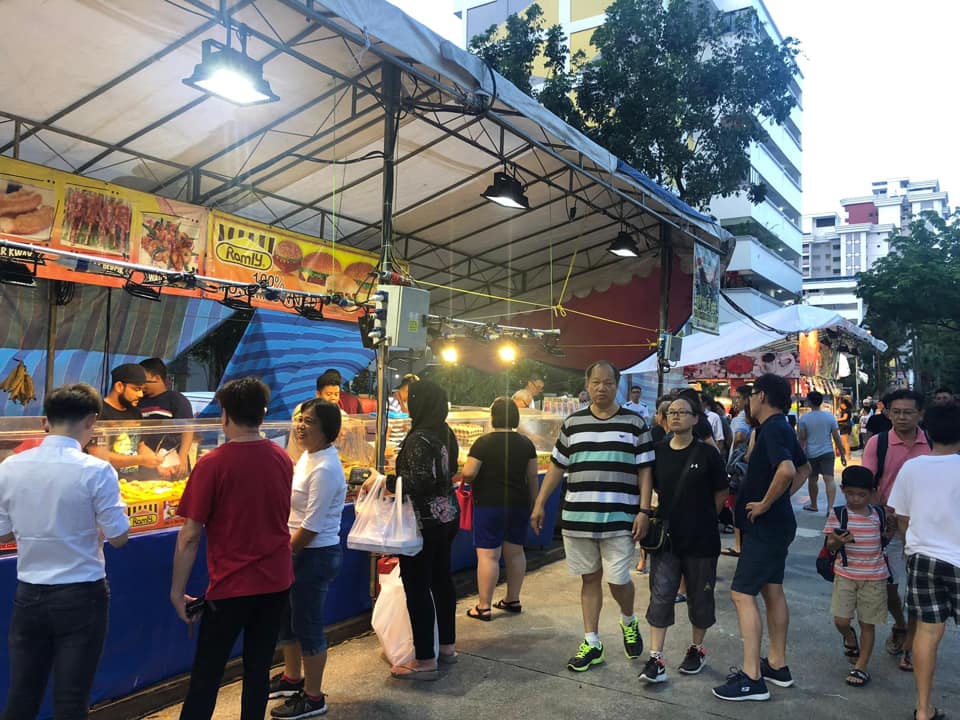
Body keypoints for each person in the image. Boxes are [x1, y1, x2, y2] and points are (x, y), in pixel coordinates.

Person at [0, 384, 129, 720]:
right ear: (92, 421)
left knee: (22, 696)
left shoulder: (10, 466)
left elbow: (2, 531)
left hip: (29, 594)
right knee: (71, 701)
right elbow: (119, 537)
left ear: (45, 421)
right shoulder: (97, 470)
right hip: (82, 594)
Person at [171, 378, 294, 720]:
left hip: (231, 586)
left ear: (224, 415)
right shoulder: (282, 458)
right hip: (276, 582)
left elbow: (190, 535)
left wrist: (177, 592)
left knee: (207, 675)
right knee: (258, 670)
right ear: (262, 414)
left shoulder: (213, 464)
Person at [530, 360, 654, 673]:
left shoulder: (635, 423)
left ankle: (628, 619)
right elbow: (557, 466)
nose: (601, 388)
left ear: (617, 385)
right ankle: (592, 642)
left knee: (618, 579)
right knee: (589, 578)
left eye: (608, 383)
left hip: (620, 516)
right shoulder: (573, 423)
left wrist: (644, 510)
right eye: (596, 382)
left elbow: (645, 470)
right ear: (587, 385)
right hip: (579, 516)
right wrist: (540, 502)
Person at [713, 373, 807, 702]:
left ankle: (752, 676)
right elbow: (804, 468)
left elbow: (789, 470)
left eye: (751, 395)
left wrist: (767, 503)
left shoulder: (773, 428)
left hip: (766, 527)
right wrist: (778, 499)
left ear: (762, 396)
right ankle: (777, 665)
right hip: (775, 525)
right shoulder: (781, 426)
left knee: (741, 594)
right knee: (772, 590)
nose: (748, 401)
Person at [638, 395, 728, 684]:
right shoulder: (657, 452)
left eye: (682, 412)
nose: (675, 416)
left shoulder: (708, 454)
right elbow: (650, 488)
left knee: (700, 598)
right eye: (671, 412)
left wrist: (704, 518)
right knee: (661, 595)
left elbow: (721, 492)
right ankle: (656, 658)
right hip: (667, 539)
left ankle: (696, 649)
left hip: (702, 540)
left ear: (695, 418)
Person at [270, 399, 346, 719]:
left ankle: (314, 697)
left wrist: (282, 554)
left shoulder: (325, 467)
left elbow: (312, 526)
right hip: (297, 551)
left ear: (327, 429)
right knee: (288, 619)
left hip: (314, 555)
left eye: (310, 422)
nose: (301, 426)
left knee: (308, 625)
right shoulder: (308, 457)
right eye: (300, 419)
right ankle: (292, 678)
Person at [381, 379, 460, 679]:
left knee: (417, 588)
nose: (407, 402)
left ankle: (425, 660)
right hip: (447, 515)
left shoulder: (419, 438)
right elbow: (450, 470)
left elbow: (415, 483)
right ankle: (448, 648)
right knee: (442, 581)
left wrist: (383, 481)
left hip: (422, 523)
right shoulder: (445, 432)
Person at [888, 401, 960, 720]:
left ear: (927, 430)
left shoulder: (912, 467)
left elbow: (902, 518)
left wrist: (913, 546)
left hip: (922, 559)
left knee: (927, 634)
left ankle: (923, 709)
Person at [861, 388, 929, 670]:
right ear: (888, 413)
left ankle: (910, 644)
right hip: (888, 527)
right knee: (888, 586)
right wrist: (880, 516)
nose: (902, 417)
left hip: (923, 528)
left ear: (920, 414)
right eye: (896, 412)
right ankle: (900, 624)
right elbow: (867, 484)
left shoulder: (932, 444)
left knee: (917, 588)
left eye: (908, 412)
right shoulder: (877, 444)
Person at [461, 397, 538, 620]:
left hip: (489, 504)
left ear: (493, 417)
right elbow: (532, 476)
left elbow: (468, 473)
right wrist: (534, 504)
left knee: (488, 555)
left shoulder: (483, 443)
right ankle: (512, 599)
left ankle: (484, 606)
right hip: (519, 504)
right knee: (516, 553)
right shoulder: (526, 443)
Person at [823, 466, 890, 688]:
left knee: (867, 623)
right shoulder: (839, 514)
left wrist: (891, 530)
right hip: (845, 574)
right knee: (841, 620)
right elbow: (829, 545)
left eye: (861, 495)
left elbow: (886, 537)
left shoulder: (879, 515)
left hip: (875, 577)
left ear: (872, 493)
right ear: (843, 490)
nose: (855, 499)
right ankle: (849, 636)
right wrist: (837, 541)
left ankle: (861, 667)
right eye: (850, 493)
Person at [88, 363, 160, 476]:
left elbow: (140, 445)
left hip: (132, 482)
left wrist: (157, 462)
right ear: (119, 386)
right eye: (136, 389)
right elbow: (98, 455)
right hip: (105, 480)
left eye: (142, 390)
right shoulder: (99, 411)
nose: (141, 394)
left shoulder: (136, 412)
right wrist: (141, 460)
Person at [139, 357, 194, 479]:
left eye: (144, 381)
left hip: (172, 461)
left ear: (157, 378)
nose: (141, 386)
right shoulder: (138, 400)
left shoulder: (176, 399)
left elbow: (188, 428)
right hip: (146, 462)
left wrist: (182, 456)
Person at [798, 391, 847, 514]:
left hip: (811, 453)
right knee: (829, 479)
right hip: (827, 452)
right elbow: (836, 437)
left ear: (809, 402)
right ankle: (830, 508)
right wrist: (842, 454)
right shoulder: (829, 417)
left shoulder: (804, 418)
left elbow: (802, 439)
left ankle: (814, 505)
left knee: (812, 479)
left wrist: (799, 455)